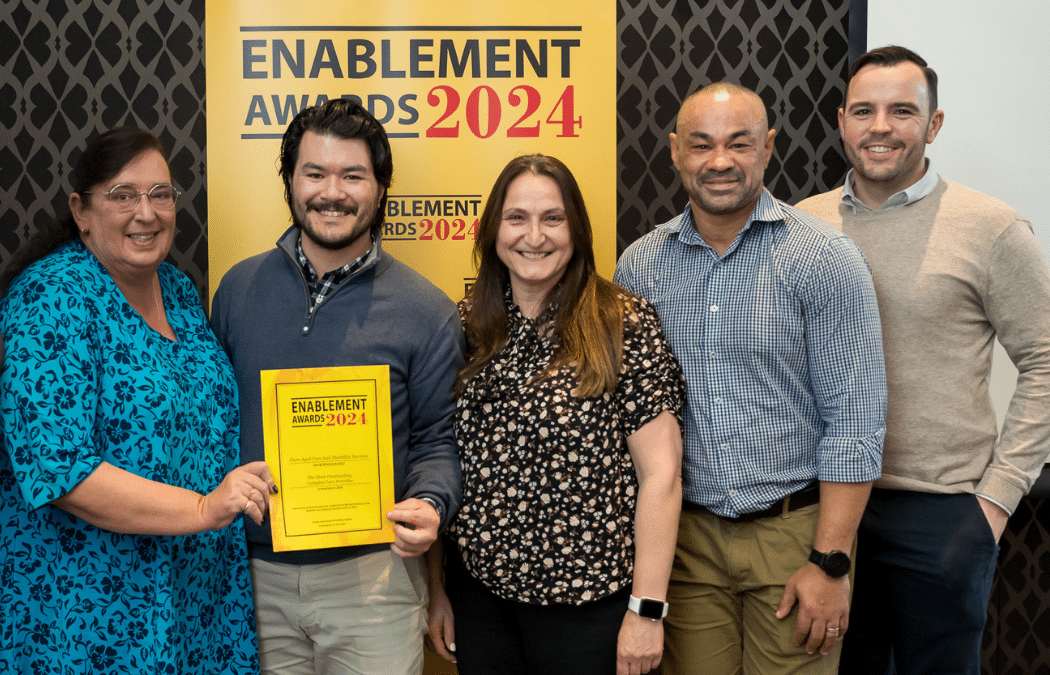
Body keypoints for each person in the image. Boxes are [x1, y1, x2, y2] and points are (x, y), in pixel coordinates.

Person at [614, 83, 887, 675]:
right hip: (684, 547)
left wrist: (831, 561)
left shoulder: (823, 259)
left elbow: (855, 421)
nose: (719, 161)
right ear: (674, 151)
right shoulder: (639, 266)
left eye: (739, 144)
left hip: (795, 537)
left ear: (767, 148)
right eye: (701, 145)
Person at [795, 45, 1050, 675]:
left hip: (941, 514)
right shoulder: (803, 226)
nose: (880, 126)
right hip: (822, 512)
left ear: (933, 125)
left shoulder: (990, 227)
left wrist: (993, 501)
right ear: (842, 121)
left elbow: (1046, 361)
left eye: (901, 111)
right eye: (864, 110)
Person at [0, 128, 275, 674]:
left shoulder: (175, 289)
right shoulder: (49, 300)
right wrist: (202, 508)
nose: (146, 213)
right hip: (94, 610)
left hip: (198, 601)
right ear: (81, 210)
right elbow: (60, 471)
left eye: (160, 194)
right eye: (123, 195)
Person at [210, 98, 463, 675]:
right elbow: (213, 420)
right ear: (290, 181)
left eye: (353, 175)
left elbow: (437, 441)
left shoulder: (426, 309)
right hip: (252, 578)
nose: (333, 192)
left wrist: (431, 502)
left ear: (380, 188)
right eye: (315, 173)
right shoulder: (238, 289)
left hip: (372, 581)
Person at [425, 154, 686, 675]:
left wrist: (647, 611)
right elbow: (438, 461)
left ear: (577, 229)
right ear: (493, 230)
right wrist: (436, 590)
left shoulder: (621, 322)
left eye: (553, 218)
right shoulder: (463, 325)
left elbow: (662, 474)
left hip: (591, 608)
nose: (534, 236)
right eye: (516, 218)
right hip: (482, 601)